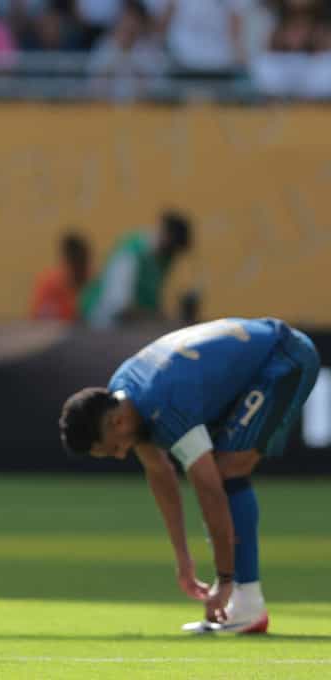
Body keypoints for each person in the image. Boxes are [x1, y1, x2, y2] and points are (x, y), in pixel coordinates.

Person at [59, 317, 321, 633]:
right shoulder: (123, 394)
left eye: (113, 448)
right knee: (221, 471)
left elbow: (210, 492)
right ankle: (245, 601)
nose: (120, 454)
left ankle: (247, 603)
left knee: (227, 472)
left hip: (284, 357)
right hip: (248, 363)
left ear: (115, 424)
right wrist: (183, 559)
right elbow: (160, 473)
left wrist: (223, 580)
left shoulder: (168, 406)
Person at [80, 209, 193, 328]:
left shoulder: (159, 261)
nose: (173, 259)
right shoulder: (131, 255)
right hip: (103, 327)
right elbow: (120, 307)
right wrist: (158, 319)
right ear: (166, 236)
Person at [29, 231, 90, 321]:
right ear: (66, 262)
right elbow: (38, 320)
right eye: (75, 264)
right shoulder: (49, 285)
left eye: (81, 264)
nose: (79, 270)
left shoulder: (93, 283)